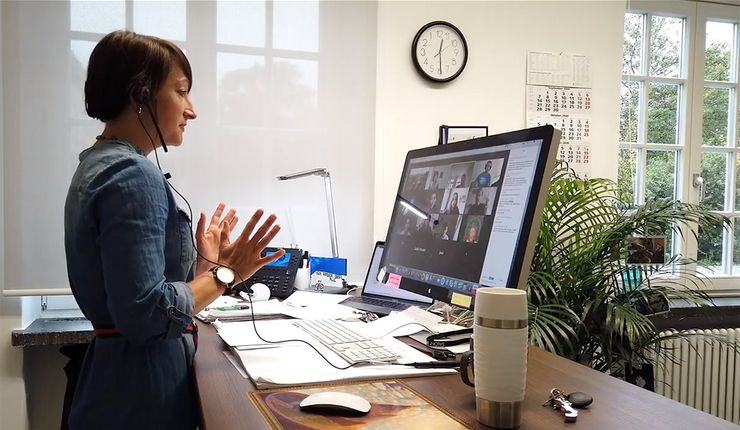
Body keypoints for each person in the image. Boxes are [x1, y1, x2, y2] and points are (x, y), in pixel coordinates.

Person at [64, 31, 285, 430]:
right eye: (181, 92)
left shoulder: (97, 163)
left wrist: (203, 270)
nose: (192, 110)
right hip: (140, 393)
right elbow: (147, 314)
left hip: (116, 382)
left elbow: (137, 292)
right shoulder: (132, 174)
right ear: (141, 95)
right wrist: (226, 274)